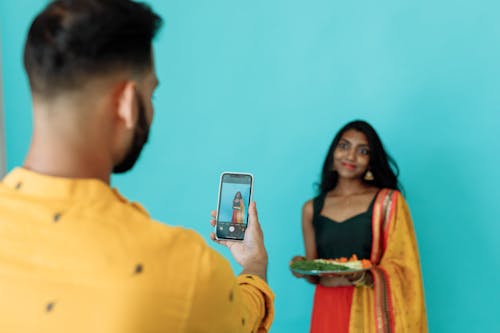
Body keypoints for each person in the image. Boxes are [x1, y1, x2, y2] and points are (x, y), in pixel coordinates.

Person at [0, 1, 274, 332]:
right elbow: (241, 319)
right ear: (127, 103)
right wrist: (255, 265)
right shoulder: (184, 268)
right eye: (151, 95)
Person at [291, 120, 427, 333]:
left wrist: (366, 275)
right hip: (327, 306)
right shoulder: (311, 209)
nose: (350, 156)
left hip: (368, 310)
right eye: (344, 146)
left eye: (362, 150)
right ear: (333, 153)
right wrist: (301, 266)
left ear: (371, 161)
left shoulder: (388, 203)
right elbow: (314, 274)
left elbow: (405, 267)